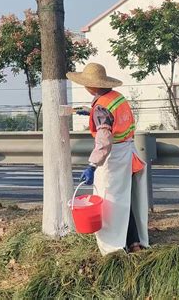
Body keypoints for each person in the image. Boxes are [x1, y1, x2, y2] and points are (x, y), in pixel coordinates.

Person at [67, 62, 149, 255]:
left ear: (92, 86)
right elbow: (114, 116)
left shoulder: (101, 108)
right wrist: (90, 112)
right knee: (124, 199)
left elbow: (104, 141)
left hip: (112, 158)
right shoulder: (116, 98)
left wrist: (92, 166)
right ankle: (135, 243)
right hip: (127, 151)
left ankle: (114, 246)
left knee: (109, 201)